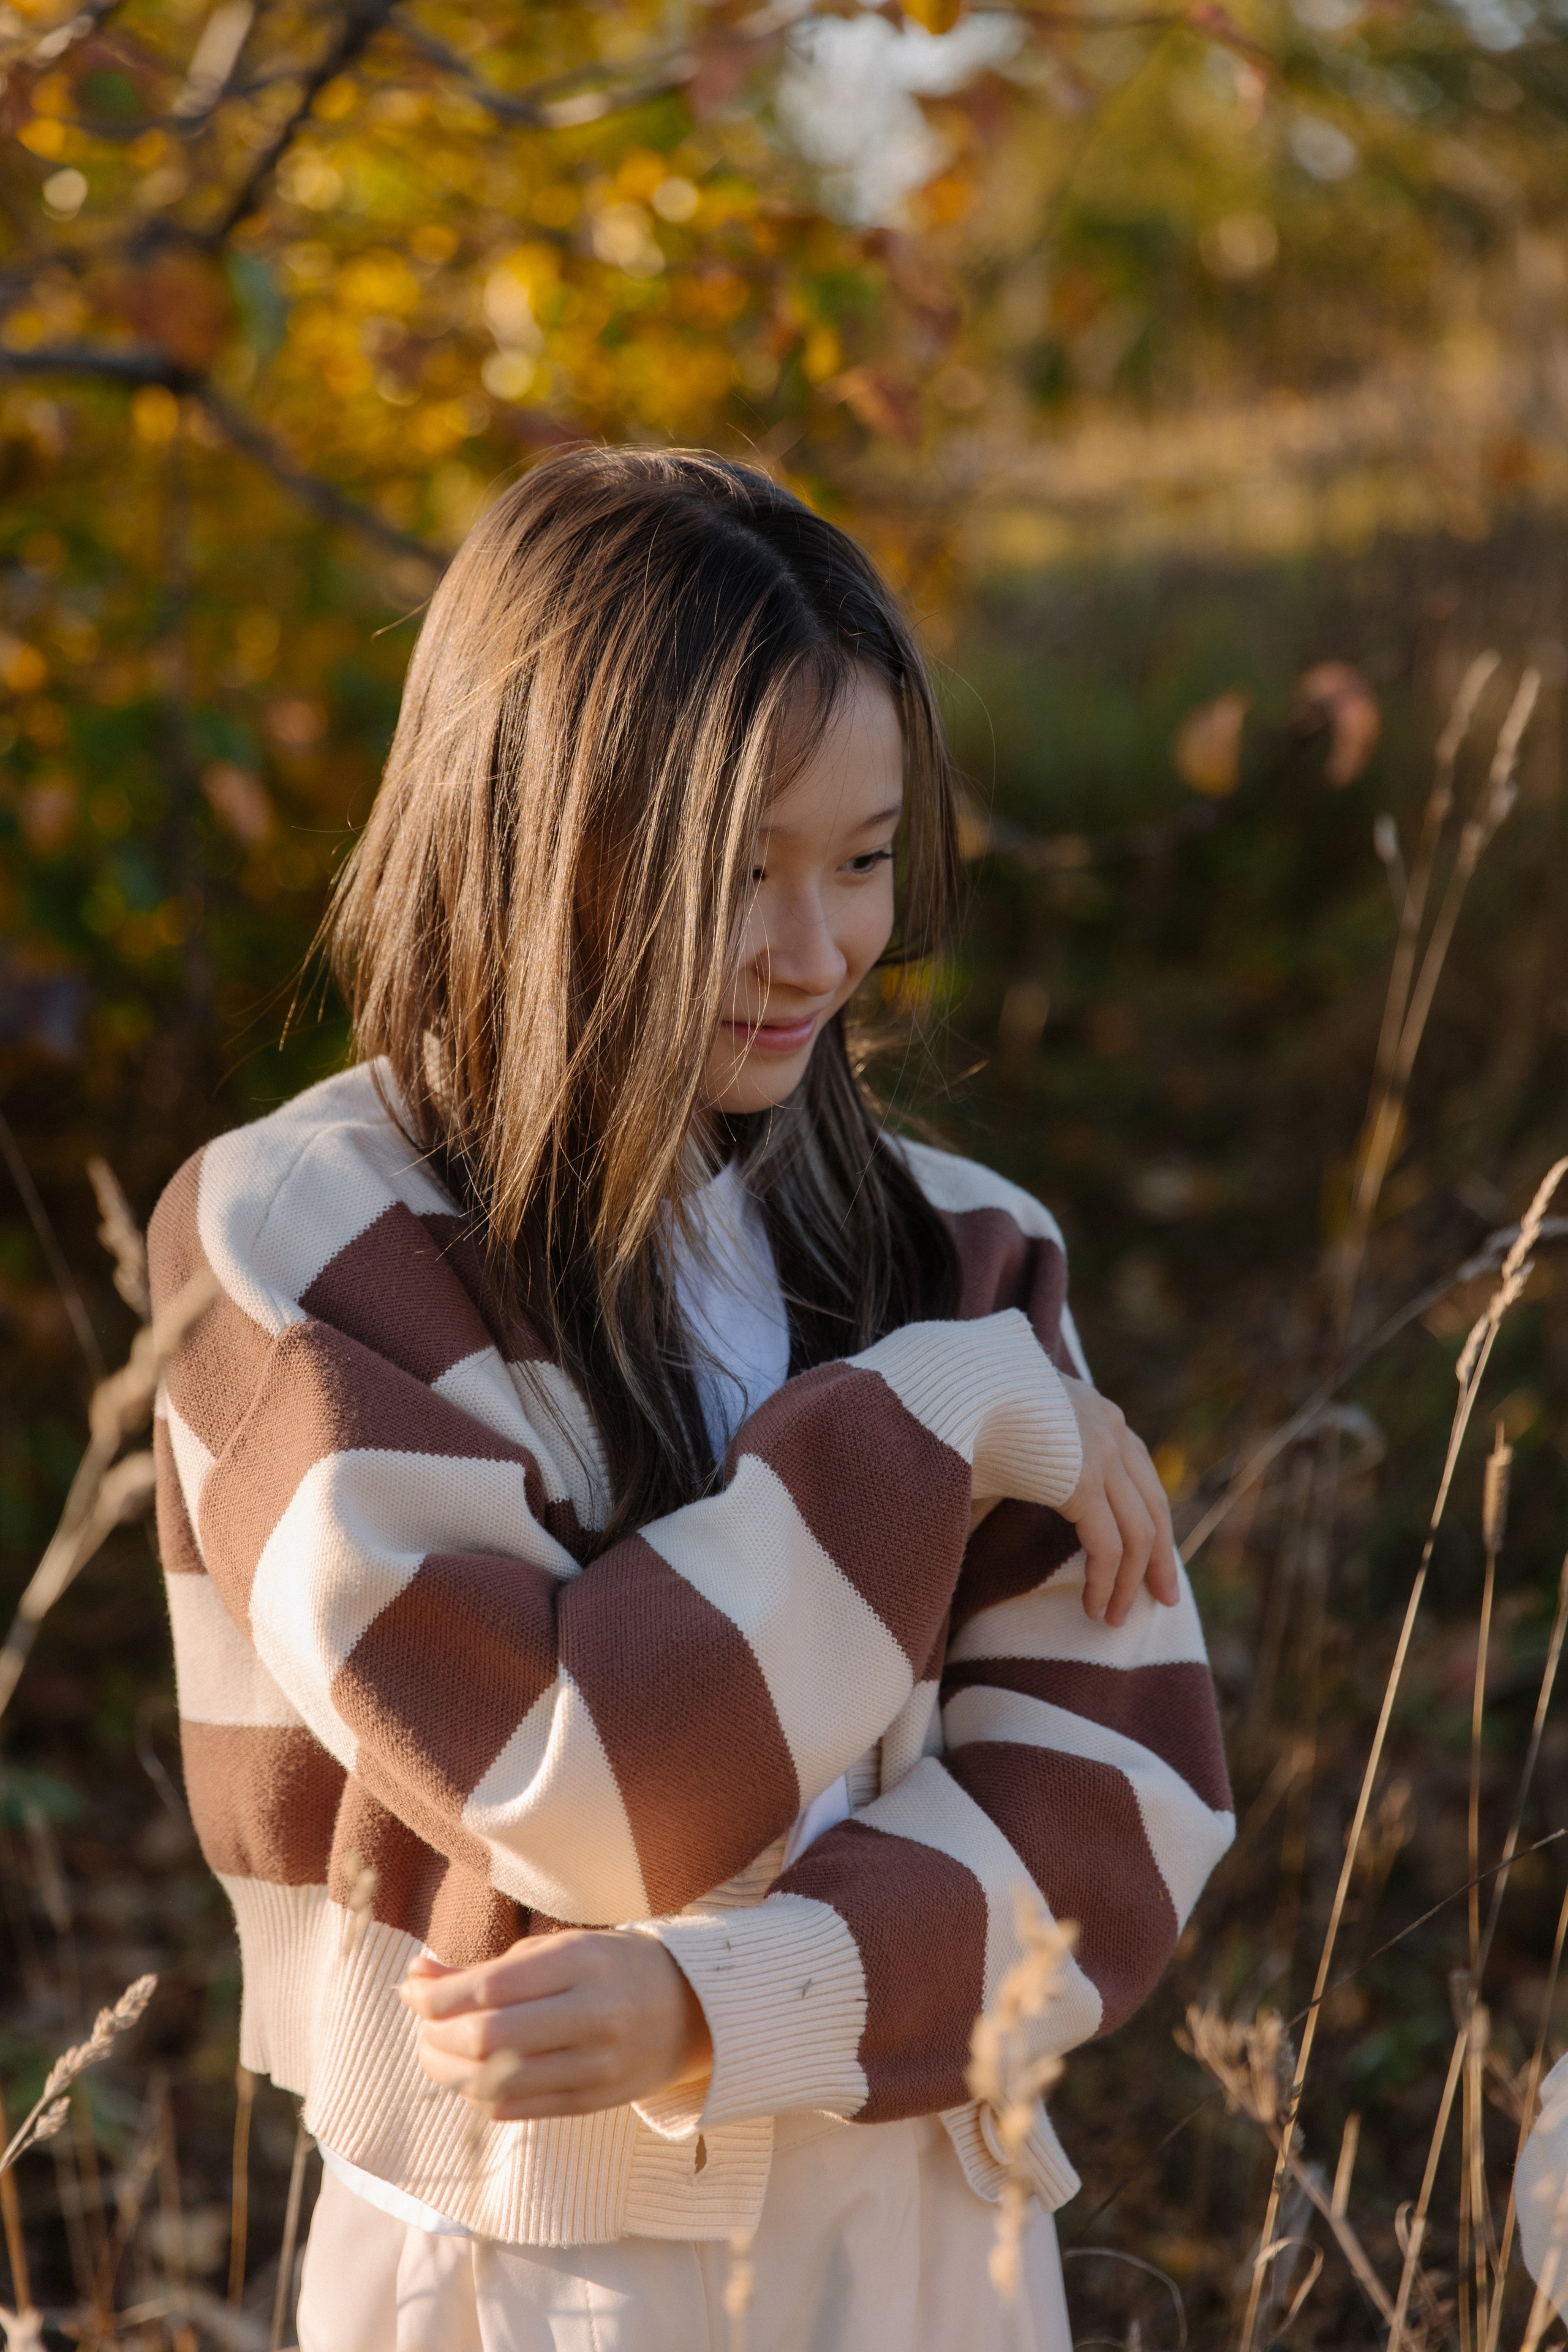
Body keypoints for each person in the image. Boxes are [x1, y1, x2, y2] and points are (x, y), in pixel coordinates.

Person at [148, 448, 1235, 2352]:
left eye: (868, 859)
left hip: (937, 2238)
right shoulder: (302, 1243)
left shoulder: (970, 1250)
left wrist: (744, 2001)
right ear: (528, 829)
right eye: (737, 872)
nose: (819, 952)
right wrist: (931, 1426)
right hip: (530, 2267)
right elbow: (568, 1777)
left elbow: (1123, 1805)